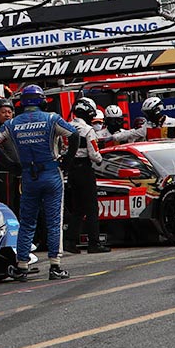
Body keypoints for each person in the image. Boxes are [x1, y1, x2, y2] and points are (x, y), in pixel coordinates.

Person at [0, 85, 81, 282]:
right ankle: (55, 266)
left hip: (28, 176)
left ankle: (21, 266)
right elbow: (74, 135)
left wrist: (11, 166)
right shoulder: (52, 118)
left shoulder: (12, 123)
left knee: (27, 221)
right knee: (54, 220)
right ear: (42, 101)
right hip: (51, 173)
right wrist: (67, 162)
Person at [63, 98, 108, 255]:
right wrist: (101, 158)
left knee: (77, 208)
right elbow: (95, 156)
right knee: (91, 208)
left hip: (71, 170)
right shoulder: (88, 130)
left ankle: (70, 241)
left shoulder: (65, 126)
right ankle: (94, 244)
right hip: (84, 170)